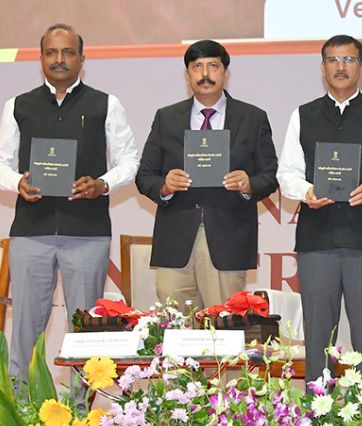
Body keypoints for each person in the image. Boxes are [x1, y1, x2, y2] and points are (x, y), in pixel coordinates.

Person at [0, 24, 139, 382]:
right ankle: (21, 422)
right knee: (25, 334)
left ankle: (83, 423)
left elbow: (129, 160)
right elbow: (1, 161)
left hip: (87, 234)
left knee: (85, 337)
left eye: (68, 52)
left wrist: (102, 184)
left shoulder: (106, 104)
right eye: (51, 52)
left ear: (82, 58)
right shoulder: (18, 105)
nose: (59, 59)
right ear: (41, 57)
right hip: (31, 232)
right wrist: (18, 182)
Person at [276, 34, 362, 383]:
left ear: (361, 67)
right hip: (317, 240)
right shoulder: (303, 114)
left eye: (348, 60)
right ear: (323, 68)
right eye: (333, 60)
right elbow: (286, 173)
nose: (340, 67)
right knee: (319, 336)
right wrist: (306, 192)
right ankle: (317, 419)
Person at [135, 39, 279, 309]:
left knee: (224, 332)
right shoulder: (166, 117)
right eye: (196, 66)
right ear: (187, 74)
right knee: (175, 331)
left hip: (228, 238)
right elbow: (145, 176)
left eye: (213, 66)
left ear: (225, 72)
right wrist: (164, 187)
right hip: (176, 240)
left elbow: (269, 175)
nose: (204, 74)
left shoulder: (252, 117)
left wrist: (249, 185)